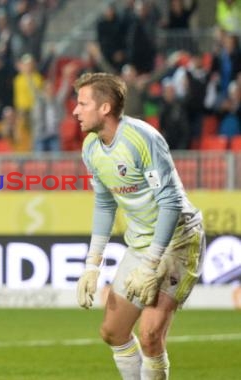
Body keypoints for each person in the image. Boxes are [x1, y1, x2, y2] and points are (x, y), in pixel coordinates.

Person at [73, 72, 205, 380]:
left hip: (178, 239)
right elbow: (105, 204)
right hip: (142, 242)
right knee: (112, 332)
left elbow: (171, 204)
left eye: (82, 103)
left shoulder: (142, 139)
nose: (75, 111)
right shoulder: (91, 148)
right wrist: (92, 264)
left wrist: (151, 263)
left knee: (149, 335)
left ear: (104, 108)